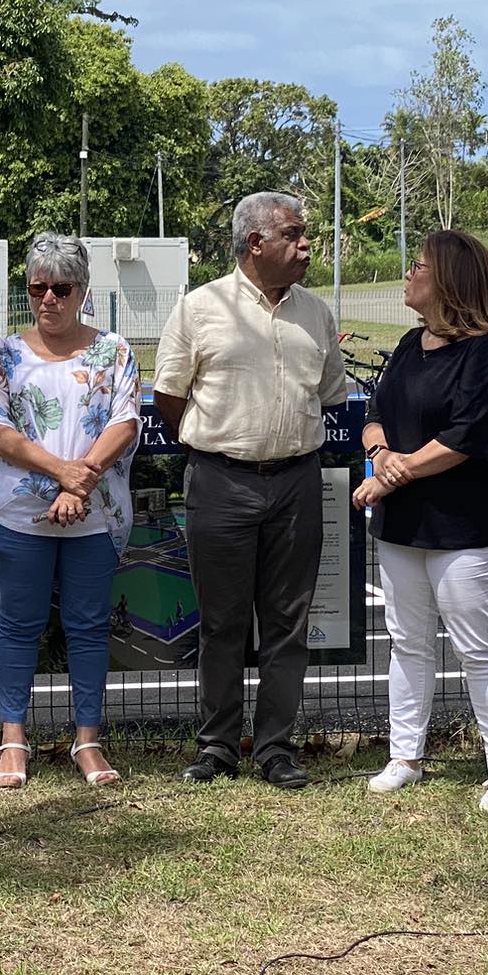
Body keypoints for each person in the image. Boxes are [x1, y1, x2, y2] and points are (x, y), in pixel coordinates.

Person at [152, 191, 349, 790]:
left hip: (296, 482)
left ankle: (276, 748)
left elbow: (331, 393)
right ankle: (216, 747)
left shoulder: (316, 313)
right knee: (222, 623)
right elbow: (168, 396)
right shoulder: (199, 307)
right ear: (255, 243)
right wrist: (216, 447)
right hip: (219, 481)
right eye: (294, 234)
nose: (307, 245)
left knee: (288, 623)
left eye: (305, 234)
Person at [352, 230, 488, 812]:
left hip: (470, 527)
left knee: (476, 647)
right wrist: (382, 456)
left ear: (449, 281)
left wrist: (388, 477)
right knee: (406, 642)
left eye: (419, 266)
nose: (408, 274)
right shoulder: (409, 343)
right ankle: (405, 756)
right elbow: (377, 414)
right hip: (405, 523)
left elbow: (464, 439)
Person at [0, 233, 141, 789]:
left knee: (89, 629)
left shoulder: (115, 352)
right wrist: (62, 473)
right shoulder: (2, 355)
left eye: (61, 288)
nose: (48, 298)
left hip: (94, 513)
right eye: (37, 287)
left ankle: (88, 741)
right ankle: (13, 739)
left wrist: (78, 481)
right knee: (17, 626)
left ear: (82, 291)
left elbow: (124, 423)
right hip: (20, 514)